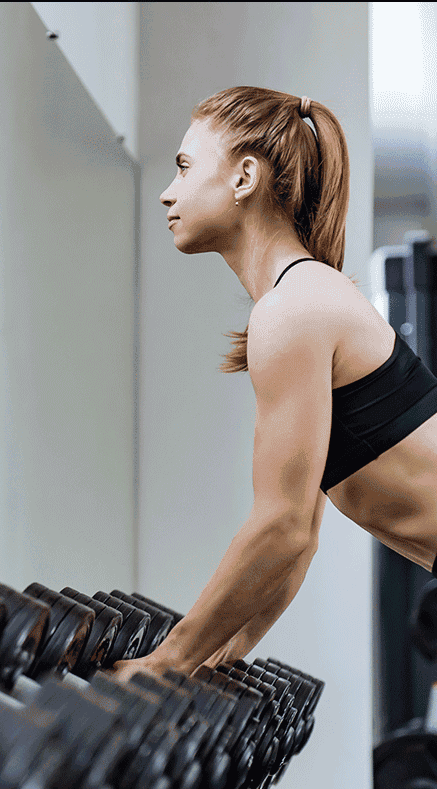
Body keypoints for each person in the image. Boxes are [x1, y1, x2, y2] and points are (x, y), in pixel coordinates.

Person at [114, 86, 437, 678]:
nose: (168, 191)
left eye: (185, 167)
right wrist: (221, 655)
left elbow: (280, 527)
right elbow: (297, 540)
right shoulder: (304, 300)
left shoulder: (292, 311)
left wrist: (168, 661)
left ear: (243, 179)